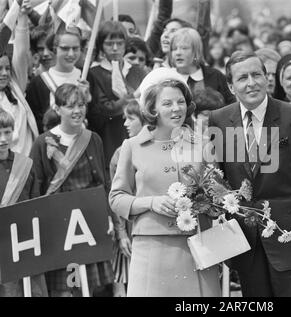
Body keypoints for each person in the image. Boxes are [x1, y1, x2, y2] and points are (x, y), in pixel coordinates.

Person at [209, 51, 291, 297]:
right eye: (243, 78)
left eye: (257, 74)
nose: (251, 82)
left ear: (267, 78)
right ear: (232, 86)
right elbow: (219, 177)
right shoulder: (219, 119)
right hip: (247, 242)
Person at [109, 76, 221, 297]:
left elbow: (217, 195)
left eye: (180, 102)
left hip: (198, 247)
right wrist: (151, 202)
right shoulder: (132, 147)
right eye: (167, 103)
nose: (176, 109)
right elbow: (116, 198)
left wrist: (208, 202)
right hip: (151, 250)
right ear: (153, 109)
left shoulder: (203, 145)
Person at [30, 84, 114, 297]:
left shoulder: (92, 138)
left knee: (89, 286)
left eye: (81, 105)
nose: (77, 111)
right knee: (65, 288)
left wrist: (109, 218)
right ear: (57, 109)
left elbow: (102, 183)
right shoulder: (42, 142)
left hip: (88, 222)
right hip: (58, 224)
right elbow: (36, 186)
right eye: (70, 106)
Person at [0, 109, 48, 297]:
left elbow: (35, 206)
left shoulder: (25, 165)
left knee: (35, 291)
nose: (3, 139)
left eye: (7, 132)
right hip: (2, 247)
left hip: (27, 243)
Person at [87, 21, 147, 167]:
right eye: (109, 44)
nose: (115, 48)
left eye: (119, 43)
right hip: (110, 137)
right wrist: (129, 99)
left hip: (137, 136)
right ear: (101, 45)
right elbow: (103, 109)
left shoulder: (137, 71)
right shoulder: (94, 73)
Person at [109, 100, 145, 297]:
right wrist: (121, 234)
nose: (125, 124)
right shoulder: (120, 153)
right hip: (131, 225)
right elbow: (115, 198)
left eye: (130, 118)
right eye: (125, 118)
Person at [26, 27, 86, 133]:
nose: (71, 54)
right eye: (65, 48)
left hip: (83, 144)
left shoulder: (87, 77)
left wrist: (88, 99)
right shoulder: (38, 83)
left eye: (75, 48)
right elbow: (36, 123)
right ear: (54, 49)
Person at [0, 0, 39, 156]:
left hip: (26, 169)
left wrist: (22, 17)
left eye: (7, 68)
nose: (4, 73)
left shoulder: (16, 86)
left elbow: (21, 52)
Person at [169, 27, 235, 105]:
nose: (178, 53)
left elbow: (231, 107)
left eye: (184, 48)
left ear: (196, 51)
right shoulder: (167, 78)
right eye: (174, 49)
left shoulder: (216, 76)